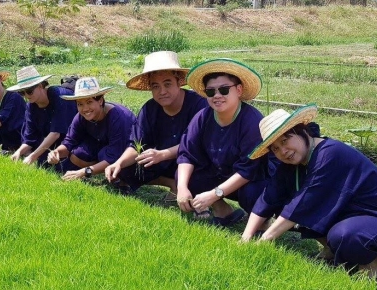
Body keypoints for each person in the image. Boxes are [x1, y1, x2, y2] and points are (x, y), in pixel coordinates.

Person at [241, 105, 377, 281]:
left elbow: (304, 202)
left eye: (285, 140)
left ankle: (371, 265)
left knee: (345, 235)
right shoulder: (293, 163)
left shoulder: (329, 153)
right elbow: (269, 197)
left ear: (303, 131)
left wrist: (264, 241)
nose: (283, 151)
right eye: (275, 149)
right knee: (288, 205)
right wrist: (246, 238)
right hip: (350, 215)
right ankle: (332, 251)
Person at [176, 58, 271, 228]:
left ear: (239, 90)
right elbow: (187, 154)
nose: (217, 95)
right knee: (183, 175)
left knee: (254, 192)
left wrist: (214, 194)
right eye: (211, 92)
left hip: (247, 181)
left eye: (224, 90)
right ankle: (223, 211)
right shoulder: (203, 117)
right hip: (217, 174)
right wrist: (182, 187)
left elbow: (248, 170)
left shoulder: (252, 122)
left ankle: (261, 221)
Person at [104, 51, 206, 198]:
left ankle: (188, 188)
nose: (162, 91)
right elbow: (136, 144)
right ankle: (171, 183)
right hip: (161, 161)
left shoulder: (198, 105)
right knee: (125, 168)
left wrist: (162, 154)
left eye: (167, 84)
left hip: (192, 161)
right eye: (155, 86)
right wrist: (118, 163)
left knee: (193, 168)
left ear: (178, 82)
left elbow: (198, 144)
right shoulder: (150, 109)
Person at [46, 77, 136, 181]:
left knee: (105, 155)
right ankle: (100, 170)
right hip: (101, 146)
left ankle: (120, 181)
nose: (85, 109)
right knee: (78, 154)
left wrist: (84, 172)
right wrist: (56, 152)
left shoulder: (118, 118)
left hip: (124, 153)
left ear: (100, 100)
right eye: (80, 104)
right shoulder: (81, 117)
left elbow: (114, 157)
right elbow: (69, 142)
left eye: (89, 102)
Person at [8, 66, 78, 165]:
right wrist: (18, 152)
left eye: (29, 91)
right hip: (56, 141)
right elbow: (30, 139)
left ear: (40, 86)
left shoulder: (59, 96)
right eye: (22, 93)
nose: (27, 96)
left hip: (73, 139)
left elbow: (55, 133)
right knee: (44, 163)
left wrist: (32, 156)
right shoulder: (31, 106)